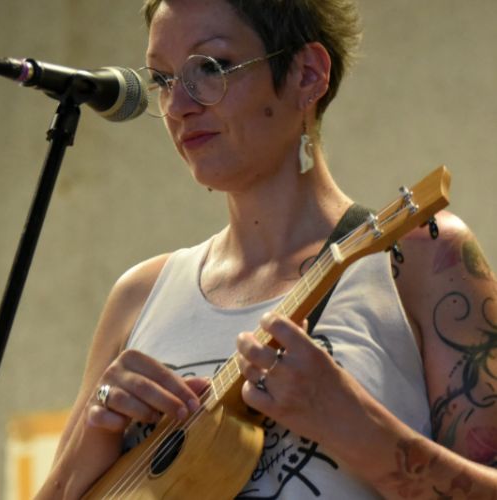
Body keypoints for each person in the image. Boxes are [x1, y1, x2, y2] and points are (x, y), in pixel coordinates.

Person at [37, 0, 497, 498]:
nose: (178, 105)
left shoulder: (422, 256)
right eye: (164, 79)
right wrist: (95, 435)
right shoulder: (138, 295)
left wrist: (359, 429)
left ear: (307, 74)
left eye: (211, 67)